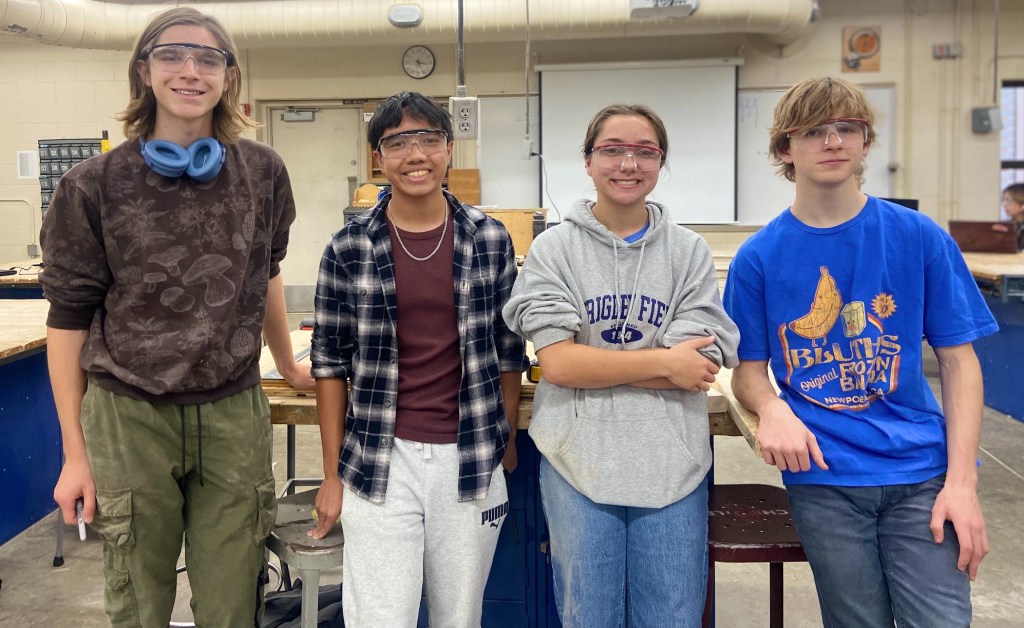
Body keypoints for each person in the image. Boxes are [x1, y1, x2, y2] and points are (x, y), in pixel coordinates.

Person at [39, 7, 314, 626]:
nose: (190, 70)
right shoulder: (93, 185)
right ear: (143, 70)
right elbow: (68, 320)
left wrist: (289, 364)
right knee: (138, 599)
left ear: (228, 76)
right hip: (128, 414)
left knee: (233, 598)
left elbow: (265, 272)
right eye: (172, 55)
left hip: (232, 411)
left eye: (208, 57)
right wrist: (74, 454)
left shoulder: (263, 173)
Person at [723, 77, 997, 627]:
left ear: (865, 143)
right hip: (826, 478)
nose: (832, 141)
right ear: (785, 150)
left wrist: (962, 484)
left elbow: (959, 363)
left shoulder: (918, 237)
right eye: (813, 131)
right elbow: (747, 373)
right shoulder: (757, 259)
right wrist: (773, 408)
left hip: (923, 473)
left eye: (847, 128)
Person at [503, 104, 740, 627]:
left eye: (644, 151)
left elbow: (696, 365)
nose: (628, 163)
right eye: (612, 150)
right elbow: (560, 364)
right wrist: (664, 363)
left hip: (673, 463)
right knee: (590, 616)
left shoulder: (690, 253)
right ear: (588, 161)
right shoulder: (553, 250)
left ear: (660, 163)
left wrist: (600, 361)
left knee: (671, 617)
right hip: (577, 461)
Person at [309, 91, 526, 627]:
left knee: (460, 616)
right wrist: (332, 472)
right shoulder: (348, 246)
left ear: (449, 149)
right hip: (380, 458)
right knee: (380, 617)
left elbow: (508, 351)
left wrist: (507, 438)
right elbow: (330, 363)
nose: (415, 155)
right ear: (378, 158)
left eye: (428, 139)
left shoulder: (490, 238)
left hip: (469, 456)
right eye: (398, 142)